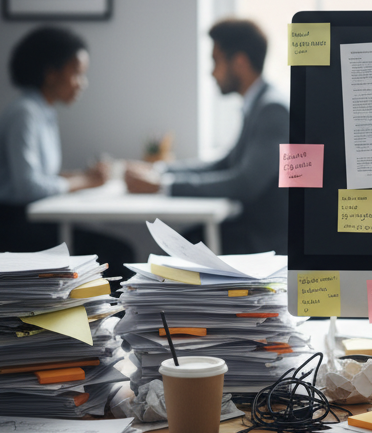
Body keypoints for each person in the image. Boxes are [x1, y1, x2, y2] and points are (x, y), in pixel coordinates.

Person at [125, 18, 288, 255]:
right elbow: (224, 163)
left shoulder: (272, 110)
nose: (212, 72)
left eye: (216, 61)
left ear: (240, 62)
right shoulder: (259, 104)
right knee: (177, 243)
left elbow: (245, 183)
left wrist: (162, 186)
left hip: (263, 241)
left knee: (174, 246)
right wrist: (160, 171)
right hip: (249, 229)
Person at [0, 26, 131, 272]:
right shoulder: (24, 113)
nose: (82, 84)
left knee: (114, 250)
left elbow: (42, 177)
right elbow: (27, 187)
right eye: (77, 74)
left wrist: (83, 175)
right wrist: (85, 181)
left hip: (34, 218)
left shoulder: (43, 111)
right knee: (119, 254)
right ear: (51, 74)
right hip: (15, 224)